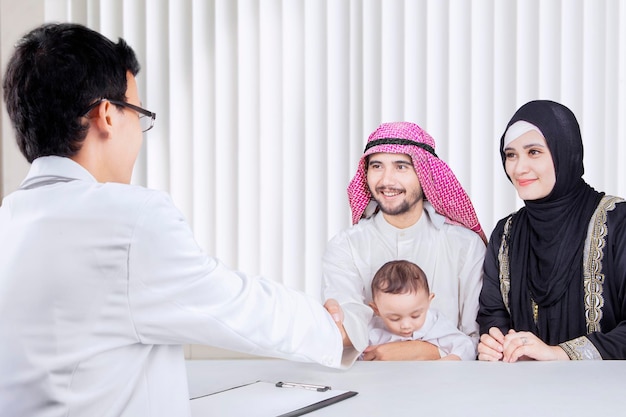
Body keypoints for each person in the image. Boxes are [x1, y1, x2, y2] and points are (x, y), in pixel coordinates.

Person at [0, 23, 353, 417]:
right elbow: (233, 307)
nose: (139, 132)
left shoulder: (8, 220)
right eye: (137, 113)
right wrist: (331, 332)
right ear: (107, 116)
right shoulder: (128, 220)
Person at [322, 121, 487, 361]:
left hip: (450, 388)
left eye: (401, 166)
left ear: (425, 173)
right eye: (377, 166)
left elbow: (477, 339)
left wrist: (418, 351)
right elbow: (349, 330)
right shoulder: (345, 247)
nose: (387, 180)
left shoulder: (466, 246)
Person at [477, 99, 626, 362]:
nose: (519, 168)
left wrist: (559, 354)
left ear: (565, 152)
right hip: (522, 395)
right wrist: (497, 344)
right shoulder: (506, 234)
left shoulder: (618, 222)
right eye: (511, 154)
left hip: (606, 396)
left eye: (533, 152)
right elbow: (493, 315)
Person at [367, 260, 475, 361]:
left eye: (415, 315)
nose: (406, 325)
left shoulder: (434, 323)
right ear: (376, 310)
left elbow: (465, 345)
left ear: (428, 302)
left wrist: (452, 359)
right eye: (394, 318)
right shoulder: (372, 330)